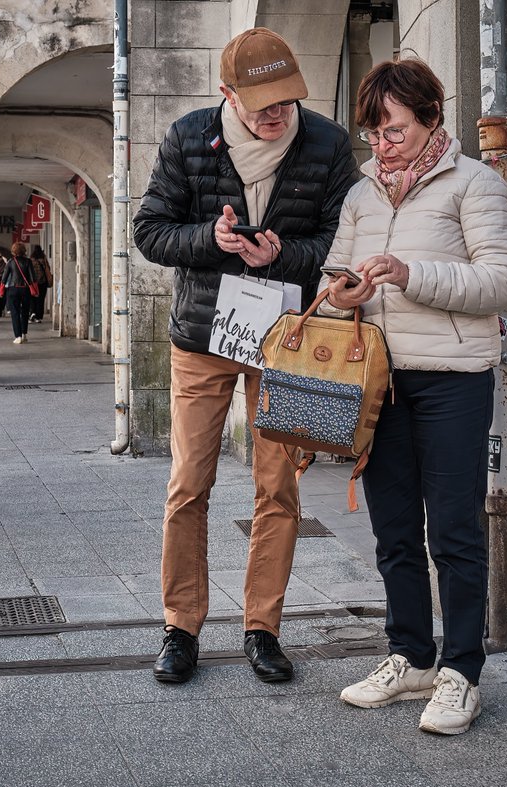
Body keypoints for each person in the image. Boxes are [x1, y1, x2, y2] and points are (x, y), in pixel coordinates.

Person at [133, 27, 357, 685]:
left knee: (278, 487)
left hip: (287, 340)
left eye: (285, 101)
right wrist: (213, 238)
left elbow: (340, 240)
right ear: (227, 94)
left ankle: (263, 627)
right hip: (204, 339)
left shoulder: (327, 143)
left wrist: (281, 256)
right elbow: (150, 231)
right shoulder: (187, 136)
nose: (275, 114)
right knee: (188, 485)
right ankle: (181, 627)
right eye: (261, 103)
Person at [323, 59, 507, 735]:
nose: (383, 145)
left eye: (396, 130)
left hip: (452, 380)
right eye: (374, 133)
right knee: (395, 533)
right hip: (378, 379)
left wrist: (411, 275)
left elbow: (502, 283)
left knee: (456, 533)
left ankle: (461, 672)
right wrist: (344, 291)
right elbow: (334, 277)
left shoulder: (475, 185)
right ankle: (409, 656)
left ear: (433, 116)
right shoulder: (361, 196)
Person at [1, 241, 36, 344]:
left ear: (13, 251)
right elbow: (32, 277)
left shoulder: (11, 262)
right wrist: (35, 289)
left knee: (15, 313)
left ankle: (18, 336)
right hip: (25, 289)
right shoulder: (28, 261)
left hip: (13, 289)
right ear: (24, 250)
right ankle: (24, 334)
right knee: (25, 312)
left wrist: (2, 290)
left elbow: (4, 277)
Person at [29, 244, 52, 323]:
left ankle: (33, 313)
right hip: (43, 282)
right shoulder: (43, 259)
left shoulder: (31, 260)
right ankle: (38, 316)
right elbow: (48, 268)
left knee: (32, 298)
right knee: (41, 299)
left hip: (33, 282)